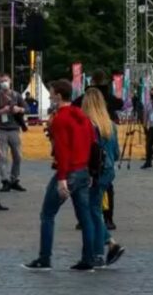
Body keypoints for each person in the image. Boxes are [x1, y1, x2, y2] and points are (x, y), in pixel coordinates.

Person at [24, 79, 97, 272]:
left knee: (47, 214)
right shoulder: (83, 116)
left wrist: (62, 179)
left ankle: (44, 258)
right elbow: (91, 143)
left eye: (51, 92)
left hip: (68, 172)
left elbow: (63, 151)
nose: (49, 96)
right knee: (85, 217)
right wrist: (89, 170)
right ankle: (88, 258)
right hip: (83, 170)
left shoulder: (60, 119)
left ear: (58, 95)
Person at [81, 88, 126, 269]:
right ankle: (107, 245)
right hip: (107, 171)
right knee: (95, 209)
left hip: (93, 171)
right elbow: (116, 153)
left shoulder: (88, 124)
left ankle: (103, 249)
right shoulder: (110, 125)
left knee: (93, 211)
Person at [0, 74, 28, 192]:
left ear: (10, 81)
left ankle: (14, 179)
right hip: (1, 130)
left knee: (18, 156)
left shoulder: (16, 95)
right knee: (2, 157)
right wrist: (1, 111)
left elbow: (26, 108)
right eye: (2, 81)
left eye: (6, 80)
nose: (4, 83)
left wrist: (19, 109)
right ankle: (5, 181)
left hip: (14, 129)